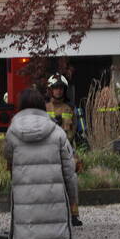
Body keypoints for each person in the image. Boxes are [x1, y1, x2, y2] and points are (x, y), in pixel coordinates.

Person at [3, 87, 79, 239]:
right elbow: (70, 171)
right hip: (54, 199)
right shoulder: (57, 134)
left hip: (26, 202)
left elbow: (8, 160)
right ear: (42, 106)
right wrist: (74, 201)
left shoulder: (12, 134)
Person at [46, 73, 82, 226]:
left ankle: (73, 215)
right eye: (55, 88)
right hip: (48, 151)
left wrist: (76, 155)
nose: (58, 91)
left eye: (61, 88)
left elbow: (75, 132)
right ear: (50, 90)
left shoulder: (70, 108)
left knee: (71, 181)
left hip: (66, 150)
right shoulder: (44, 108)